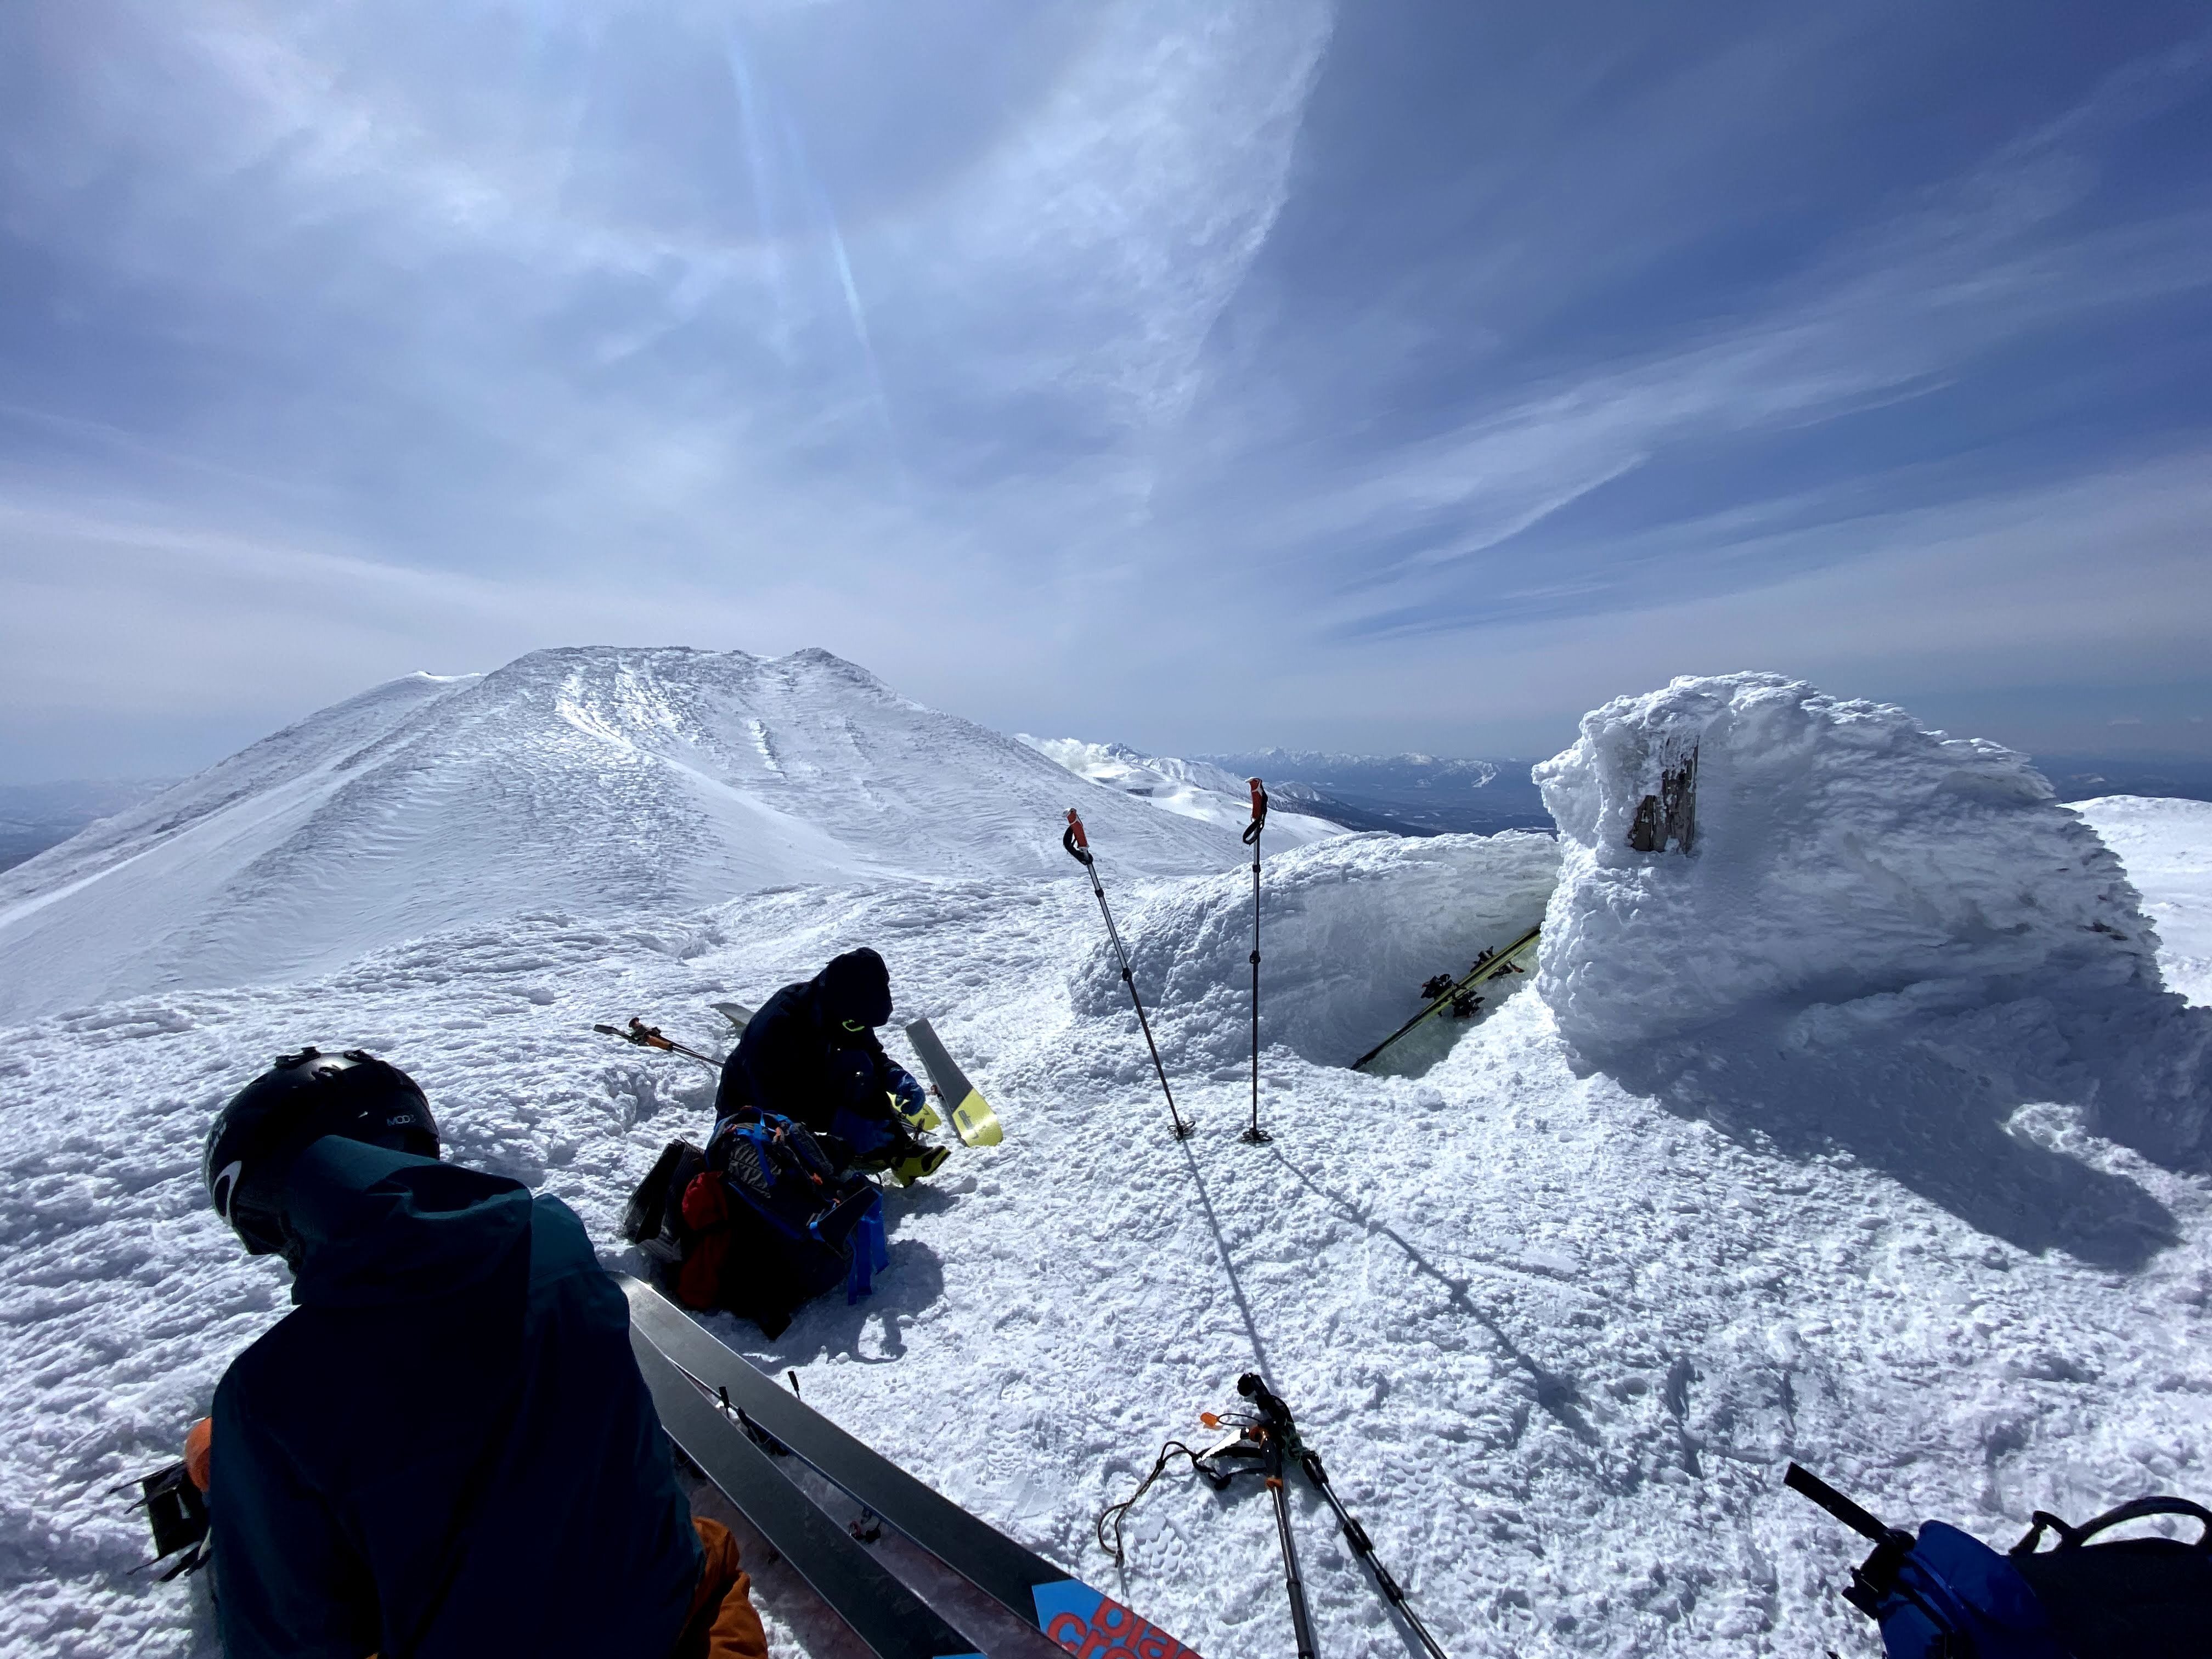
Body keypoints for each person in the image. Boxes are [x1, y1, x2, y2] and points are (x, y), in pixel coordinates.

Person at [194, 1046, 768, 1659]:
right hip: (664, 1612)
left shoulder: (266, 1395)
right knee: (705, 1548)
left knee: (214, 1454)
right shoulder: (552, 1236)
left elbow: (288, 1640)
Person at [716, 947, 946, 1182]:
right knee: (794, 1164)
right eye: (855, 1025)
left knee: (860, 1069)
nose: (859, 1030)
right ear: (838, 1007)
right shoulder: (777, 1028)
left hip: (806, 1084)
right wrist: (837, 1120)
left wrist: (894, 1075)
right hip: (752, 1111)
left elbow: (869, 1052)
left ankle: (897, 1153)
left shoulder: (842, 1011)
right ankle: (849, 1152)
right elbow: (779, 1101)